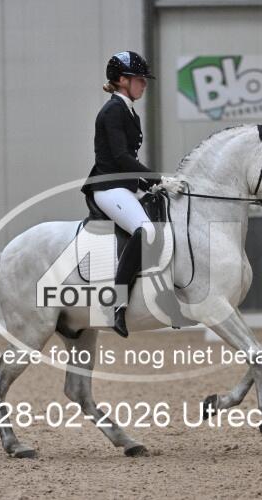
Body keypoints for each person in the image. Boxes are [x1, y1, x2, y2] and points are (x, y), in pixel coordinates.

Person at [81, 51, 183, 338]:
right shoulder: (113, 111)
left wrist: (150, 187)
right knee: (146, 230)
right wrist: (158, 178)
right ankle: (117, 303)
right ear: (122, 80)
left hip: (124, 185)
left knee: (165, 219)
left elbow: (128, 162)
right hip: (108, 187)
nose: (144, 84)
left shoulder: (128, 110)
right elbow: (121, 157)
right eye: (139, 79)